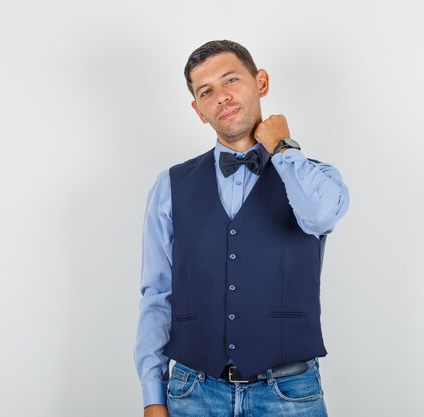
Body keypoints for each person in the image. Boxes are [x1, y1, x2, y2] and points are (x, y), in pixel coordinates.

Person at [134, 40, 349, 417]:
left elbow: (320, 217)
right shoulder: (169, 187)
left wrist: (283, 148)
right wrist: (153, 395)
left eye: (230, 79)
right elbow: (157, 294)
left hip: (289, 393)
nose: (222, 96)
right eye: (206, 91)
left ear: (261, 82)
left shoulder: (316, 177)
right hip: (193, 392)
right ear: (198, 110)